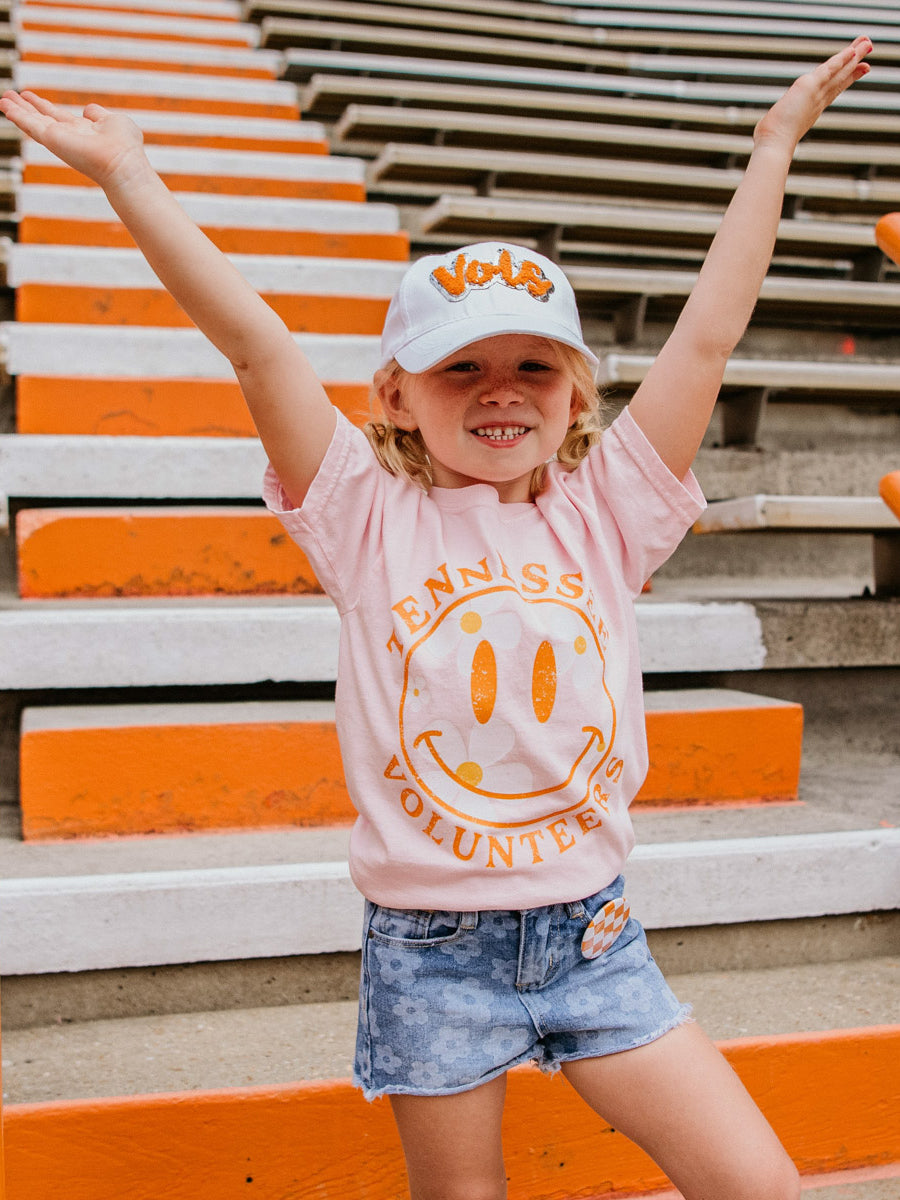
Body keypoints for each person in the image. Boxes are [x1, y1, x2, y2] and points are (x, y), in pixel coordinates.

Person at [0, 36, 872, 1200]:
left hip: (597, 936)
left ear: (573, 397)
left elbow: (706, 338)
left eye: (533, 365)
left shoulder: (608, 508)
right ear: (395, 395)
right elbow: (256, 345)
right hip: (431, 954)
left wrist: (771, 153)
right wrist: (130, 178)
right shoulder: (364, 514)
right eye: (459, 367)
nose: (501, 387)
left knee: (759, 1183)